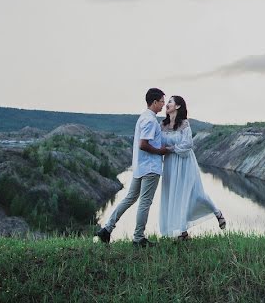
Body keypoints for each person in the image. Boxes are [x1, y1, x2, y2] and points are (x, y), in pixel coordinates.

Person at [95, 87, 172, 247]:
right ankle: (138, 238)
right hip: (150, 167)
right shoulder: (150, 120)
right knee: (145, 202)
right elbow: (143, 144)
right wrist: (161, 151)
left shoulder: (143, 118)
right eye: (162, 102)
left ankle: (106, 229)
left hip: (140, 167)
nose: (163, 105)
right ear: (155, 101)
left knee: (130, 198)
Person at [159, 95, 226, 239]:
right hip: (170, 163)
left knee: (196, 194)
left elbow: (187, 144)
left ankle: (217, 212)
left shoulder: (184, 124)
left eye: (170, 101)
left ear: (177, 106)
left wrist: (170, 149)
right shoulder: (162, 125)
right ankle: (182, 233)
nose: (167, 104)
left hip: (185, 162)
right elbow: (159, 143)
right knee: (173, 195)